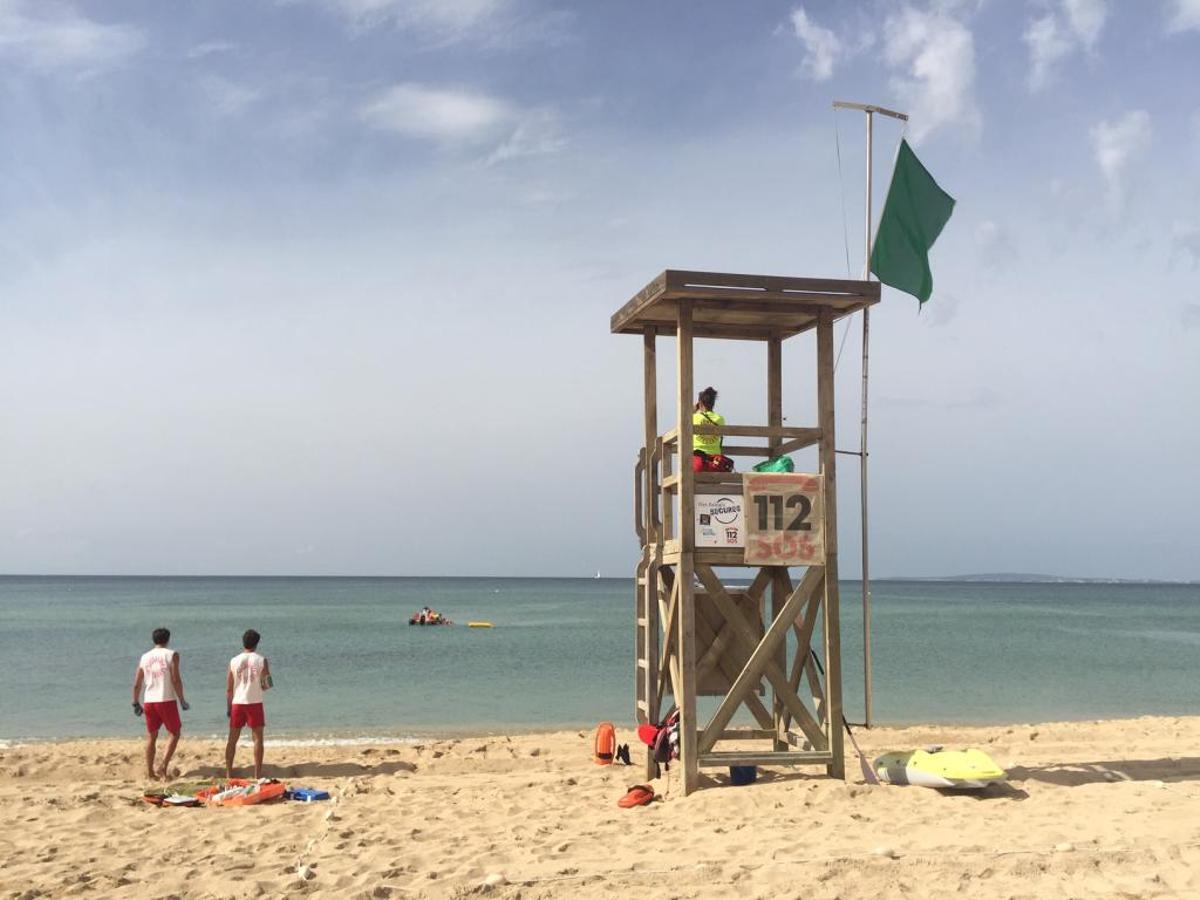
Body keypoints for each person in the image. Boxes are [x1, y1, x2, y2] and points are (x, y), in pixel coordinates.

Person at [132, 627, 189, 781]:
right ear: (168, 639)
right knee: (175, 733)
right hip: (166, 700)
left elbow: (137, 683)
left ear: (154, 640)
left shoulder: (145, 657)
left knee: (151, 736)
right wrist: (182, 699)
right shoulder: (172, 655)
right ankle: (163, 766)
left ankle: (150, 772)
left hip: (149, 700)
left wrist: (135, 702)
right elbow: (176, 679)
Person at [225, 629, 272, 780]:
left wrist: (228, 708)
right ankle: (257, 774)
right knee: (258, 739)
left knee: (232, 739)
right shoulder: (261, 660)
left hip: (238, 702)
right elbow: (267, 683)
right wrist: (264, 685)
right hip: (254, 702)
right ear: (257, 643)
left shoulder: (233, 660)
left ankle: (228, 772)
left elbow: (229, 688)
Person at [692, 386, 725, 468]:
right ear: (713, 403)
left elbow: (683, 421)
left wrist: (694, 409)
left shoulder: (693, 417)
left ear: (700, 403)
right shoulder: (720, 419)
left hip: (697, 462)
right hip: (715, 462)